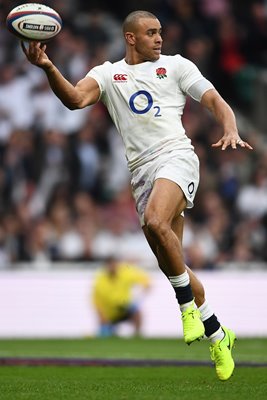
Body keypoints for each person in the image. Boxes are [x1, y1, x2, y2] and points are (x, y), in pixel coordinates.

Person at [21, 10, 253, 380]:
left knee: (155, 221)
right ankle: (218, 334)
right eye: (150, 33)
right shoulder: (108, 74)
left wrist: (230, 127)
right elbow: (76, 100)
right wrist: (48, 66)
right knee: (171, 261)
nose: (159, 38)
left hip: (176, 157)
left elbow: (214, 100)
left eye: (160, 32)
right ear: (130, 38)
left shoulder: (177, 66)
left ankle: (186, 309)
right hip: (141, 172)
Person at [92, 256, 151, 337]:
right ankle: (109, 332)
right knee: (105, 336)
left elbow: (145, 281)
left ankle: (137, 335)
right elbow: (96, 302)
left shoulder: (125, 273)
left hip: (125, 309)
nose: (113, 267)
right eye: (110, 265)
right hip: (109, 314)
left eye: (114, 264)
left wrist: (140, 294)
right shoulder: (100, 280)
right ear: (106, 266)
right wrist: (102, 317)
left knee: (137, 311)